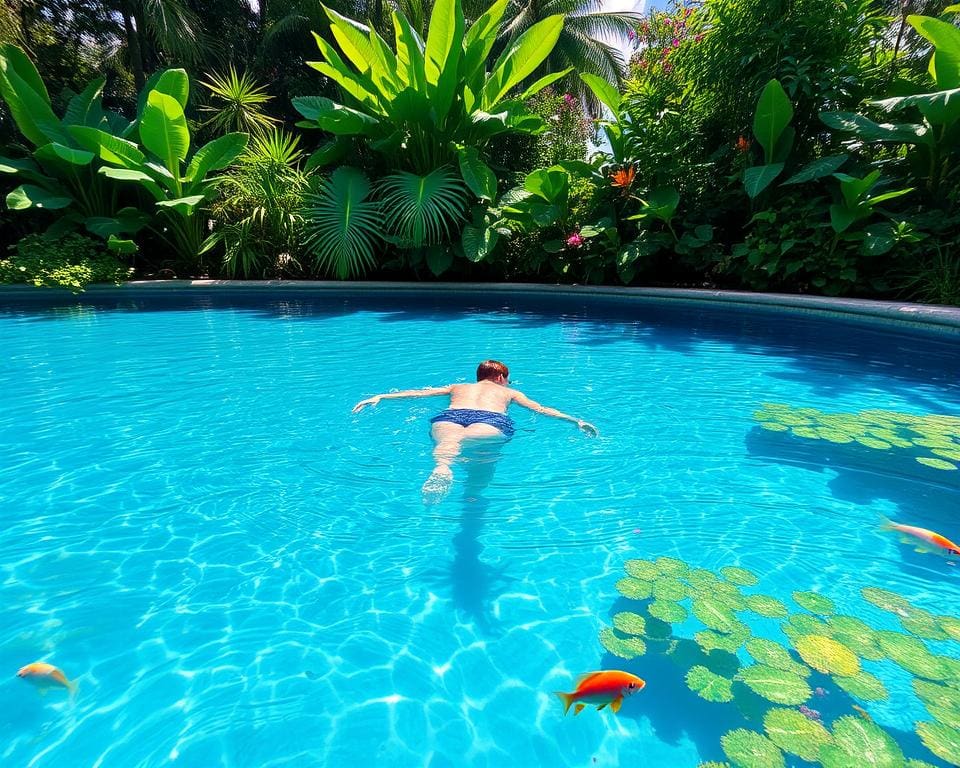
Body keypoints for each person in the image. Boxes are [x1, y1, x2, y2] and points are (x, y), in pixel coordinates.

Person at [352, 360, 598, 500]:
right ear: (501, 378)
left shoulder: (458, 386)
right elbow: (541, 409)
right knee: (484, 461)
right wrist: (574, 420)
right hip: (489, 421)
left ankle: (443, 467)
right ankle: (473, 495)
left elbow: (418, 393)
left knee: (448, 446)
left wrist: (381, 397)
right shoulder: (509, 392)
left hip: (450, 417)